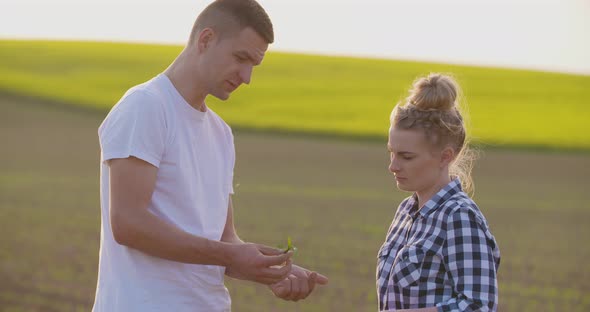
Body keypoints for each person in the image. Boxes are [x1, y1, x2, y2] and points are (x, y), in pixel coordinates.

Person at [92, 0, 327, 311]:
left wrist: (271, 271)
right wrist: (230, 256)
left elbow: (224, 238)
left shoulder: (220, 132)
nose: (246, 77)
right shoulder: (146, 106)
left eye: (253, 65)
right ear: (205, 40)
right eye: (240, 58)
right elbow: (128, 222)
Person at [377, 73, 500, 311]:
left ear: (446, 156)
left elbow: (478, 306)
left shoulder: (460, 217)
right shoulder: (404, 212)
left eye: (407, 156)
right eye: (392, 152)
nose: (393, 166)